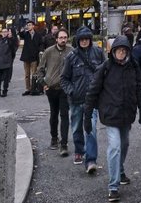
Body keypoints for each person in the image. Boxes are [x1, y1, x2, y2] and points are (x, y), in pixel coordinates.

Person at [86, 36, 140, 202]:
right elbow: (93, 90)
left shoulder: (133, 66)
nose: (121, 53)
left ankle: (120, 170)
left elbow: (139, 87)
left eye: (124, 50)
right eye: (118, 50)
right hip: (110, 114)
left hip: (127, 114)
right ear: (113, 51)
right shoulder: (105, 67)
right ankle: (113, 186)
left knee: (124, 145)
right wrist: (87, 116)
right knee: (115, 147)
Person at [62, 28, 104, 172]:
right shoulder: (71, 57)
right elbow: (64, 79)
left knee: (91, 129)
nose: (84, 41)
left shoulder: (98, 53)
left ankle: (91, 160)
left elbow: (106, 71)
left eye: (87, 38)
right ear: (78, 40)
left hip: (92, 100)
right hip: (76, 99)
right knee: (76, 127)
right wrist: (71, 91)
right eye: (82, 39)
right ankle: (79, 150)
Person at [35, 28, 71, 157]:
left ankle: (64, 144)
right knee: (54, 114)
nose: (63, 40)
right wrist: (43, 84)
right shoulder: (48, 52)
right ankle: (54, 138)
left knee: (65, 115)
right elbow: (40, 69)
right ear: (56, 39)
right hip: (51, 88)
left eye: (65, 37)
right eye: (61, 37)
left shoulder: (71, 51)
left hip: (65, 89)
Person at [19, 23, 44, 95]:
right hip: (26, 57)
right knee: (27, 74)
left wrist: (41, 51)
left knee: (34, 74)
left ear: (33, 26)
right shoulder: (26, 34)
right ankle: (28, 89)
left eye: (29, 25)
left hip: (34, 57)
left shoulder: (38, 35)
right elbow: (21, 35)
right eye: (27, 25)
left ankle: (33, 88)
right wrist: (21, 31)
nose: (28, 26)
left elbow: (41, 43)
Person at [0, 27, 18, 97]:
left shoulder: (10, 40)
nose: (4, 33)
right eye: (3, 32)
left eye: (5, 32)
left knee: (6, 79)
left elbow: (13, 50)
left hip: (6, 62)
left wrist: (9, 59)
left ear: (7, 33)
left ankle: (4, 91)